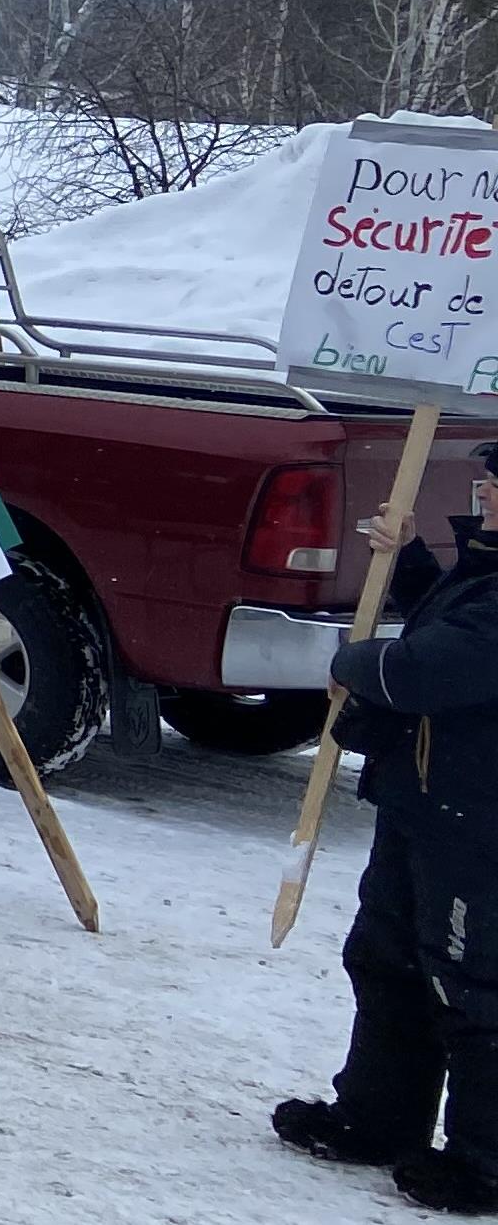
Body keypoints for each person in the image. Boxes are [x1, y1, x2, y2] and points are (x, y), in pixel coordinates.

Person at [271, 462, 498, 1213]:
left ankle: (484, 1162)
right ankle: (377, 1115)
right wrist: (409, 563)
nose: (485, 492)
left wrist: (355, 663)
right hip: (427, 802)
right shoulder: (487, 567)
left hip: (481, 823)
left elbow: (433, 666)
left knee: (472, 986)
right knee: (388, 957)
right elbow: (444, 622)